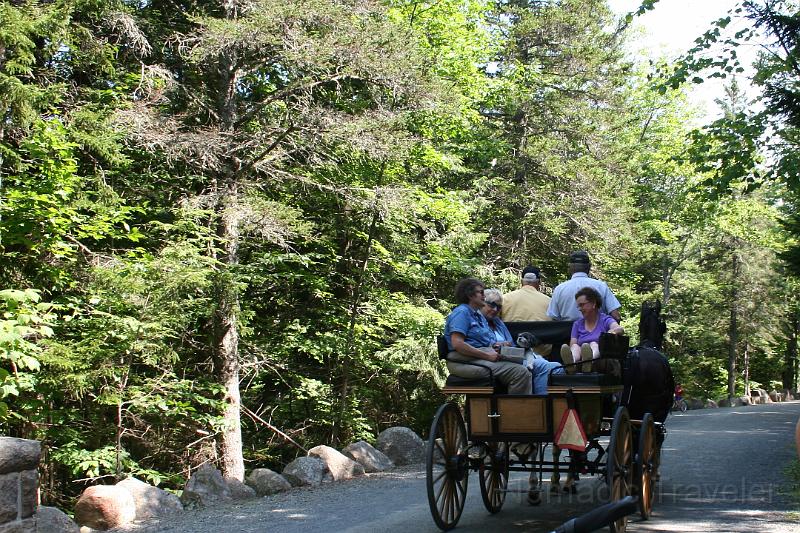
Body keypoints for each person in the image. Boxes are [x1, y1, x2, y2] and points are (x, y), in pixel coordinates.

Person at [443, 279, 532, 395]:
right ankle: (515, 411)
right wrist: (486, 355)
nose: (484, 296)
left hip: (478, 357)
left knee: (523, 359)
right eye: (481, 292)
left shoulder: (477, 316)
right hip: (463, 361)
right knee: (520, 372)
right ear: (470, 295)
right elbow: (457, 344)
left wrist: (496, 345)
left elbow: (481, 342)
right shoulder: (462, 313)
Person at [482, 289, 564, 395]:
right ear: (482, 303)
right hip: (499, 358)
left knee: (555, 366)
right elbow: (486, 345)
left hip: (512, 355)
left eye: (498, 307)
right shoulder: (479, 323)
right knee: (549, 367)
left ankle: (542, 403)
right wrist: (501, 346)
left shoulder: (497, 322)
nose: (495, 309)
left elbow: (511, 343)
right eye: (492, 305)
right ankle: (541, 403)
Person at [560, 287, 624, 373]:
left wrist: (611, 332)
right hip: (580, 359)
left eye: (582, 305)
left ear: (594, 304)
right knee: (575, 347)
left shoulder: (605, 320)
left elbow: (619, 329)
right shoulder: (577, 324)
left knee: (594, 344)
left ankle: (589, 361)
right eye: (578, 306)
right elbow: (573, 344)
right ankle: (572, 364)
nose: (579, 308)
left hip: (600, 361)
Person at [547, 251, 621, 322]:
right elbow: (616, 316)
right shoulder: (601, 286)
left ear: (570, 268)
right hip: (597, 333)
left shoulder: (560, 289)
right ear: (589, 267)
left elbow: (553, 318)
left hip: (568, 333)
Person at [501, 266, 553, 356]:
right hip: (541, 352)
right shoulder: (549, 301)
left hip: (512, 350)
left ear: (521, 281)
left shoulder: (504, 299)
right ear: (539, 282)